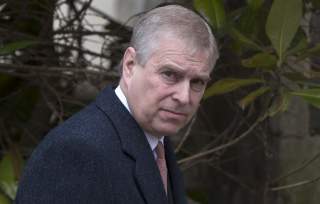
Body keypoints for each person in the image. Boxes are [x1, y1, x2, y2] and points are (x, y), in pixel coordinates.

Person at [15, 4, 219, 204]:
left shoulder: (157, 144)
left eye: (197, 82)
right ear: (130, 65)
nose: (184, 97)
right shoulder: (76, 152)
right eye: (170, 74)